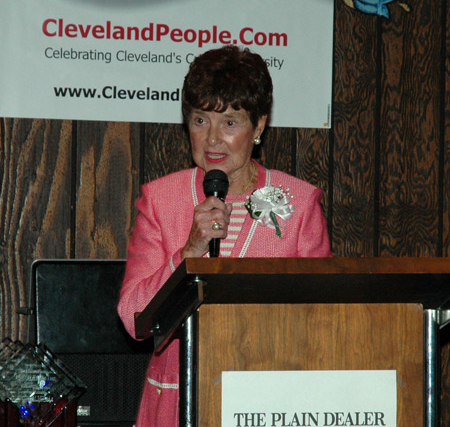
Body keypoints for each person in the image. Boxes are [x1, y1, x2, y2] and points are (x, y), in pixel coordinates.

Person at [117, 45, 332, 426]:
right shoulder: (161, 200)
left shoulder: (298, 204)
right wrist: (190, 250)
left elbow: (324, 322)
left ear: (260, 125)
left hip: (269, 400)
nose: (213, 140)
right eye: (201, 121)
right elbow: (134, 318)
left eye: (230, 123)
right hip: (176, 402)